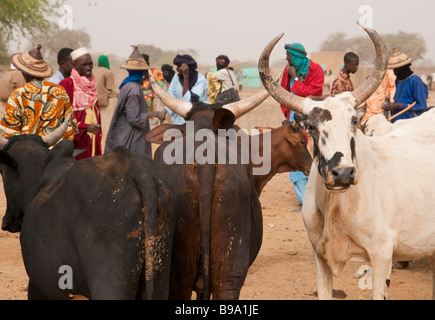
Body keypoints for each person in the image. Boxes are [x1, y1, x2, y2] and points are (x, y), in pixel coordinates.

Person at [280, 42, 324, 212]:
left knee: (317, 152)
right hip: (293, 117)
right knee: (295, 152)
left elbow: (311, 93)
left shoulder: (316, 70)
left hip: (313, 116)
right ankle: (303, 200)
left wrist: (296, 78)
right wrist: (286, 115)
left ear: (296, 57)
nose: (286, 58)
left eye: (289, 56)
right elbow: (283, 93)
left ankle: (318, 195)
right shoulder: (286, 70)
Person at [0, 45, 77, 140]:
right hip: (54, 149)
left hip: (26, 149)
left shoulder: (19, 94)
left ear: (24, 72)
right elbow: (70, 127)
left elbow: (9, 131)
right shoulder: (60, 91)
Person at [104, 46, 165, 156]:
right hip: (131, 138)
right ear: (142, 71)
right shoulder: (134, 89)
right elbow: (134, 119)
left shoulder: (126, 85)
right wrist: (154, 113)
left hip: (123, 133)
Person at [59, 47, 102, 160]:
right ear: (74, 65)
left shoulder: (92, 83)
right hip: (77, 140)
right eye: (84, 65)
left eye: (90, 64)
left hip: (93, 137)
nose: (88, 68)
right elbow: (61, 116)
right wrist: (84, 127)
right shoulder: (66, 84)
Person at [383, 48, 428, 123]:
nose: (394, 72)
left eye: (396, 69)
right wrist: (392, 106)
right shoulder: (398, 80)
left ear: (403, 68)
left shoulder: (415, 81)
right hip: (397, 122)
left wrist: (400, 106)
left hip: (410, 123)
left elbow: (422, 105)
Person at [166, 54, 209, 124]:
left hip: (198, 118)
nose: (176, 69)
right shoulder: (176, 77)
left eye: (179, 66)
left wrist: (186, 76)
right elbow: (171, 96)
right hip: (179, 119)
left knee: (191, 134)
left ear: (187, 68)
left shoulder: (201, 80)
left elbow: (189, 100)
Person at [93, 55, 118, 148]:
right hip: (104, 100)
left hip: (93, 100)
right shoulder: (108, 72)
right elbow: (110, 88)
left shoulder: (93, 70)